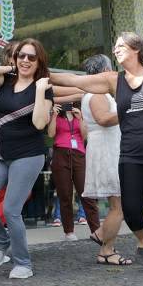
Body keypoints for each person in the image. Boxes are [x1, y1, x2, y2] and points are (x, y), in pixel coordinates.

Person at [49, 32, 143, 276]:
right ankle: (142, 240)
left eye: (121, 46)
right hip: (132, 154)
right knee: (131, 208)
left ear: (137, 49)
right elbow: (76, 81)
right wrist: (43, 73)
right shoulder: (113, 80)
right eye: (115, 46)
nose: (116, 50)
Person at [0, 38, 54, 280]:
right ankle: (0, 241)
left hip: (28, 155)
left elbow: (40, 123)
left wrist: (40, 90)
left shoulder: (44, 88)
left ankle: (23, 263)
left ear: (39, 61)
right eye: (21, 56)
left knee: (11, 210)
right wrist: (10, 68)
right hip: (1, 153)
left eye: (31, 57)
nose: (25, 60)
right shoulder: (6, 80)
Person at [78, 54, 133, 266]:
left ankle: (102, 235)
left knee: (118, 203)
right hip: (107, 151)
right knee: (118, 205)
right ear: (103, 70)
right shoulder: (96, 92)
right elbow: (103, 119)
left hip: (106, 148)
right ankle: (106, 249)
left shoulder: (93, 92)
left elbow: (86, 128)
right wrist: (130, 109)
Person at [47, 101, 99, 241]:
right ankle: (69, 231)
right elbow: (51, 134)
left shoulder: (79, 115)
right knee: (65, 194)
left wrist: (80, 118)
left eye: (70, 100)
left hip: (78, 154)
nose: (67, 103)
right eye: (65, 100)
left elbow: (84, 136)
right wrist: (53, 115)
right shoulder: (56, 115)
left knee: (86, 192)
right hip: (61, 154)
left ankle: (96, 230)